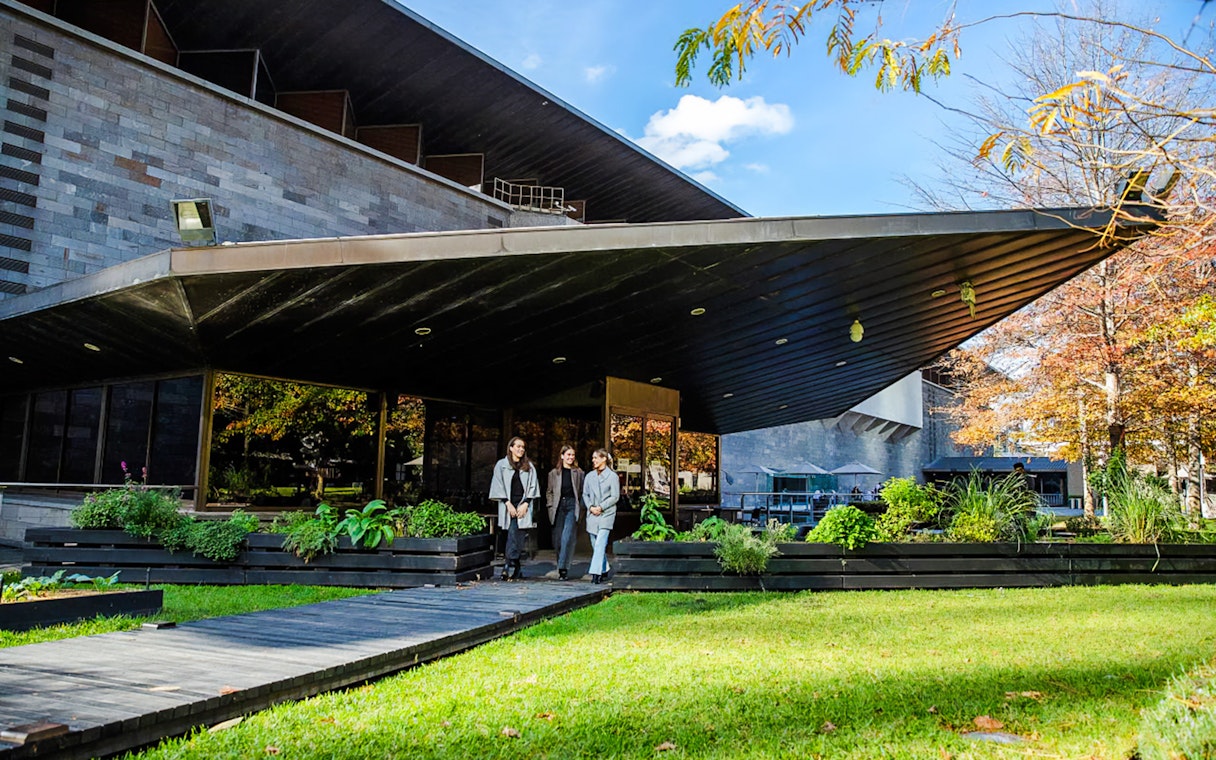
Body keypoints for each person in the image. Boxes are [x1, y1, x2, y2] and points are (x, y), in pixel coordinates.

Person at [488, 436, 539, 581]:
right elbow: (497, 485)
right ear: (511, 448)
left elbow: (533, 486)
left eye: (523, 447)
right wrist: (507, 503)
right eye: (518, 446)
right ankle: (514, 566)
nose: (521, 449)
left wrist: (526, 503)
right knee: (512, 534)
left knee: (517, 534)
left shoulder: (529, 466)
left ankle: (509, 565)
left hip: (523, 505)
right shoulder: (501, 465)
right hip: (508, 505)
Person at [546, 445, 584, 581]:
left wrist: (580, 509)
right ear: (562, 456)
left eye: (572, 455)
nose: (571, 457)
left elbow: (581, 492)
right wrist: (550, 506)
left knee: (567, 537)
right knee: (558, 540)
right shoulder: (553, 473)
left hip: (572, 505)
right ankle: (560, 564)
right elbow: (549, 492)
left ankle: (563, 569)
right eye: (568, 455)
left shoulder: (578, 473)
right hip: (557, 506)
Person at [582, 448, 619, 585]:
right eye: (593, 458)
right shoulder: (589, 476)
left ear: (604, 459)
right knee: (595, 544)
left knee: (600, 543)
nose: (594, 460)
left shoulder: (612, 477)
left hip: (606, 513)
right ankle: (605, 568)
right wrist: (591, 507)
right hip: (592, 514)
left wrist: (601, 507)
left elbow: (615, 496)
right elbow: (585, 494)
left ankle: (595, 573)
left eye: (596, 457)